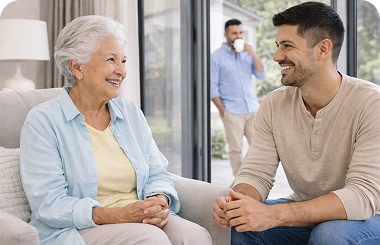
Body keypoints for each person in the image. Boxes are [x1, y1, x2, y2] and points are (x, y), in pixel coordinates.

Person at [19, 15, 211, 245]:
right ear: (77, 66)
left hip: (139, 217)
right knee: (152, 239)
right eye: (111, 59)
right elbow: (49, 203)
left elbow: (157, 171)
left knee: (195, 236)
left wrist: (158, 200)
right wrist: (117, 215)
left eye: (123, 61)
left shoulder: (129, 113)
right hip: (81, 228)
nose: (121, 71)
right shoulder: (43, 121)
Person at [212, 2, 380, 245]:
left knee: (330, 235)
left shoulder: (371, 103)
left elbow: (362, 196)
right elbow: (257, 172)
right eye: (278, 46)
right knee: (239, 226)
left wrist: (273, 214)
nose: (277, 56)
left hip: (370, 216)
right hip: (309, 213)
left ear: (323, 49)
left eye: (287, 46)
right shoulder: (274, 104)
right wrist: (240, 203)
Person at [211, 19, 267, 178]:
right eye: (235, 33)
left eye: (241, 33)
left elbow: (262, 74)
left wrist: (253, 54)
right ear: (226, 34)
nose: (238, 36)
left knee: (259, 146)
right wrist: (224, 112)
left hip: (252, 109)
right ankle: (240, 181)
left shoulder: (247, 55)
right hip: (232, 111)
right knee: (235, 150)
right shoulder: (216, 57)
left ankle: (256, 179)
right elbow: (212, 88)